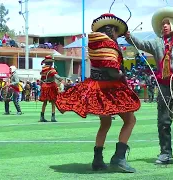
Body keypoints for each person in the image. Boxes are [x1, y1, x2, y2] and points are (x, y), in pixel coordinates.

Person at [55, 13, 140, 173]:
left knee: (105, 123)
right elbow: (112, 69)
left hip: (95, 87)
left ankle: (97, 159)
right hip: (111, 88)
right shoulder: (109, 44)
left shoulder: (93, 43)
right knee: (130, 120)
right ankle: (119, 158)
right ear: (113, 31)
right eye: (116, 32)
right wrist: (122, 74)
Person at [125, 7, 173, 164]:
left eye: (167, 23)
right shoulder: (156, 43)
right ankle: (165, 152)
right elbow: (140, 43)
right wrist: (129, 36)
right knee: (163, 121)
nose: (164, 26)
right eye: (163, 24)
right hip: (163, 86)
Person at [39, 56, 63, 122]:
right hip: (51, 86)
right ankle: (53, 117)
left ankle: (42, 116)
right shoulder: (51, 70)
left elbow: (42, 79)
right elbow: (56, 76)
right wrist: (61, 79)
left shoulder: (43, 70)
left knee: (44, 102)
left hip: (44, 86)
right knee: (53, 102)